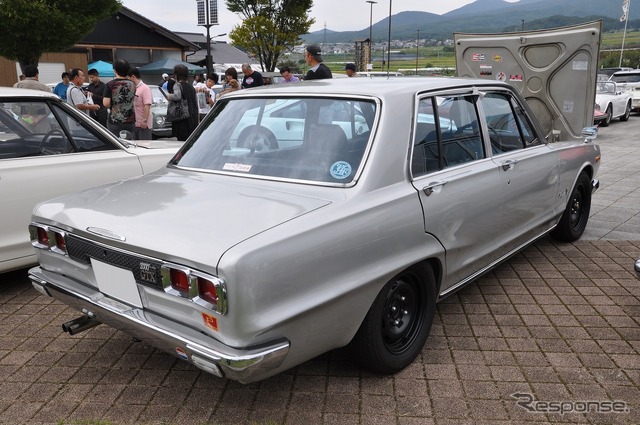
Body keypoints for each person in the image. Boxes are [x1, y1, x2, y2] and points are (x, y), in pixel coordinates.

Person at [103, 59, 136, 136]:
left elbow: (106, 103)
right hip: (130, 119)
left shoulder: (110, 84)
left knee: (116, 142)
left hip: (115, 120)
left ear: (115, 70)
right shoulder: (133, 84)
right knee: (130, 142)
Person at [165, 64, 198, 141]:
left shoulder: (177, 85)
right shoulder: (191, 87)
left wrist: (168, 96)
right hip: (192, 119)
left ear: (176, 76)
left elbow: (177, 96)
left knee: (181, 142)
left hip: (182, 119)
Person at [127, 67, 152, 140]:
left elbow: (147, 105)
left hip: (142, 124)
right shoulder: (132, 88)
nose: (127, 80)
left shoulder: (145, 88)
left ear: (133, 77)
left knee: (144, 144)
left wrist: (144, 121)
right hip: (134, 123)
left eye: (128, 78)